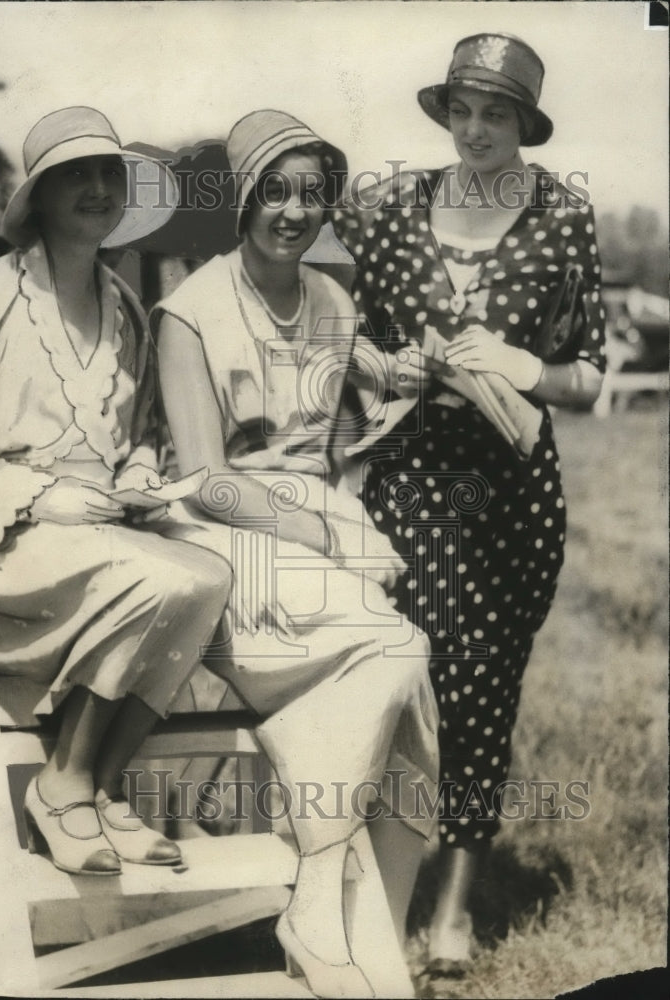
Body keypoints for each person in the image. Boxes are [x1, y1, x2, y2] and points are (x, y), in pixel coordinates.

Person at [332, 34, 606, 976]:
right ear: (444, 113)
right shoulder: (389, 211)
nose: (477, 129)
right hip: (407, 484)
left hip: (511, 498)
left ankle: (453, 905)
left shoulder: (564, 218)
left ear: (525, 123)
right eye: (463, 109)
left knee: (481, 692)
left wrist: (527, 367)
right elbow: (344, 342)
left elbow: (590, 374)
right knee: (400, 681)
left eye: (497, 113)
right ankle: (377, 889)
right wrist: (383, 368)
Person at [0, 107, 232, 875]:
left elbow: (142, 428)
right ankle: (65, 789)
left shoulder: (127, 309)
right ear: (38, 197)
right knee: (151, 576)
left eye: (110, 173)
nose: (98, 188)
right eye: (75, 174)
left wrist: (140, 474)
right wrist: (39, 499)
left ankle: (99, 788)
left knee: (210, 576)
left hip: (95, 539)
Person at [152, 109, 439, 999]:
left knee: (416, 721)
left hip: (317, 529)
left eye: (312, 195)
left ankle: (372, 940)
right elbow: (203, 477)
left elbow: (334, 439)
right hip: (227, 535)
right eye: (275, 191)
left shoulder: (334, 302)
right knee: (401, 651)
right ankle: (317, 904)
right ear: (243, 199)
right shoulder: (188, 311)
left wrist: (394, 387)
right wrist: (311, 532)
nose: (293, 211)